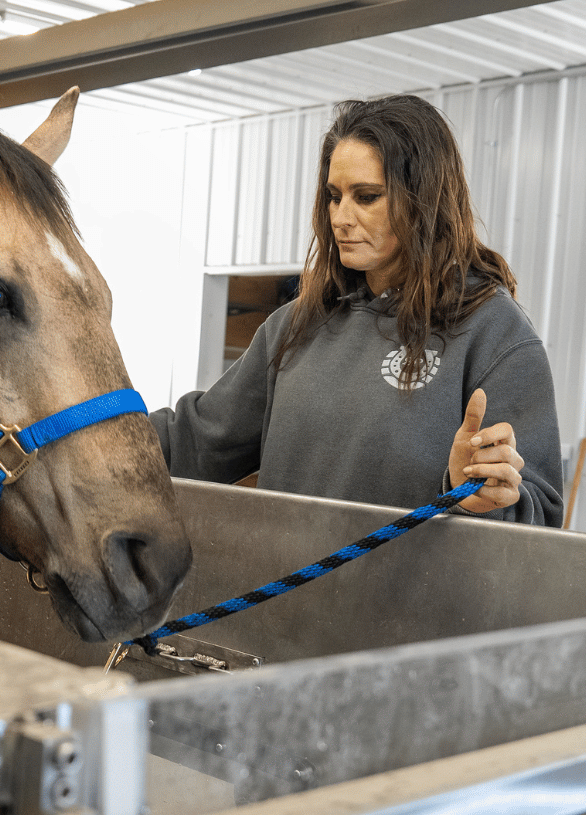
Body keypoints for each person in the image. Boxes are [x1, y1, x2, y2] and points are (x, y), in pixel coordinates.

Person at [151, 94, 564, 527]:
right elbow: (193, 443)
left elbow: (538, 517)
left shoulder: (494, 333)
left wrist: (478, 497)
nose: (340, 218)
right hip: (287, 573)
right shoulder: (296, 326)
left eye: (366, 197)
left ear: (424, 200)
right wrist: (101, 412)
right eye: (334, 196)